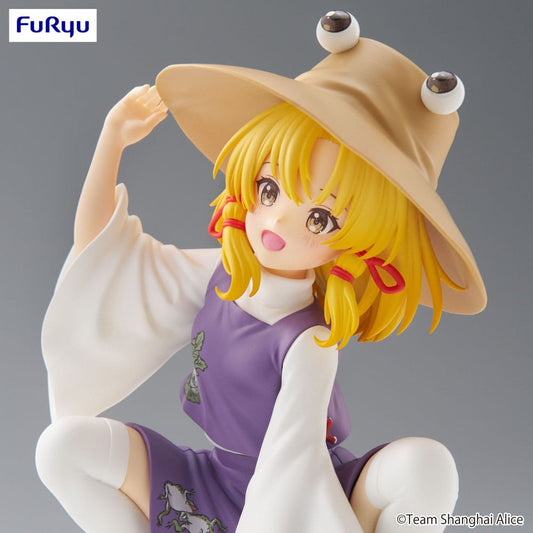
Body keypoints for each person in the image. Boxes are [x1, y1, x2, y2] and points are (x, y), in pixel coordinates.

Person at [35, 10, 486, 533]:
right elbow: (103, 256)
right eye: (269, 189)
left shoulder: (309, 343)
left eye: (319, 219)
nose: (276, 221)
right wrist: (111, 141)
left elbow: (294, 464)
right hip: (211, 484)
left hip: (311, 497)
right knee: (63, 448)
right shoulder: (223, 275)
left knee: (425, 465)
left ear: (360, 243)